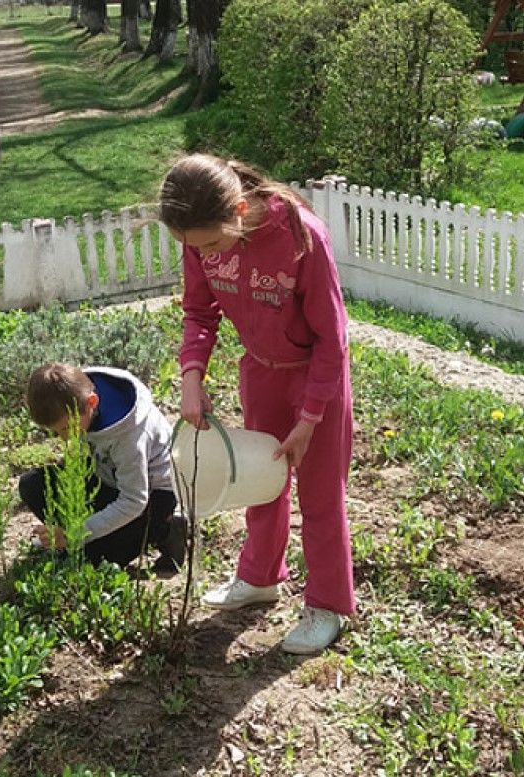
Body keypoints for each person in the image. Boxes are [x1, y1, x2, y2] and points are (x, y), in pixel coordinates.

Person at [159, 153, 355, 655]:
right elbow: (199, 310)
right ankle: (260, 577)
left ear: (240, 211)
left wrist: (311, 417)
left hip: (317, 379)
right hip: (261, 372)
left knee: (319, 494)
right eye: (192, 248)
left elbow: (333, 340)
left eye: (210, 244)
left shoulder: (300, 237)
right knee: (261, 480)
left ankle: (327, 605)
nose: (203, 254)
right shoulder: (198, 238)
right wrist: (191, 376)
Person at [19, 362, 186, 570]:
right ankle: (70, 540)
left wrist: (75, 534)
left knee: (92, 563)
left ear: (92, 401)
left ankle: (167, 529)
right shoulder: (77, 396)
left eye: (67, 428)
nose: (64, 438)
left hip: (151, 496)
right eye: (56, 431)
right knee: (32, 484)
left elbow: (134, 500)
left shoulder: (130, 436)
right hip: (108, 477)